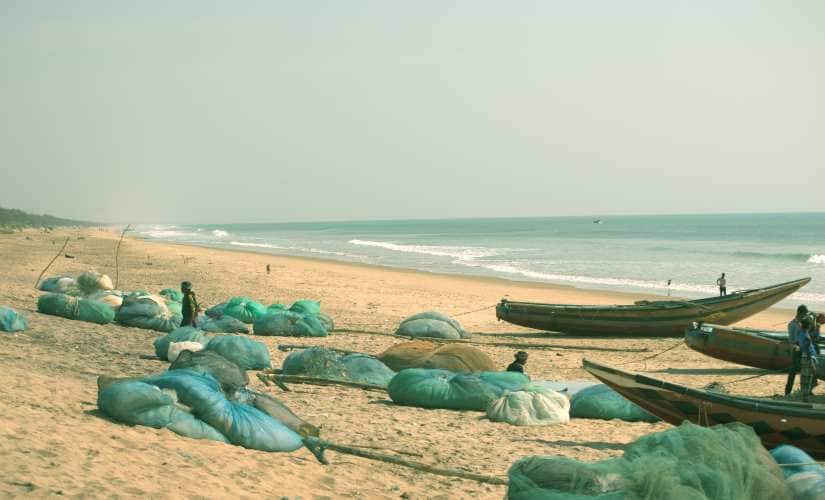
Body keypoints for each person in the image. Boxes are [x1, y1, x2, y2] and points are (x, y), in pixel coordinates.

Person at [785, 305, 810, 395]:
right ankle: (787, 392)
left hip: (804, 348)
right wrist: (796, 347)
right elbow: (791, 340)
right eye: (805, 314)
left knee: (805, 372)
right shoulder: (792, 324)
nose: (805, 315)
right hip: (796, 349)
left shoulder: (804, 323)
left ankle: (806, 391)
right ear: (800, 313)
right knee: (792, 372)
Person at [799, 316, 818, 401]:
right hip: (808, 358)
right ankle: (805, 397)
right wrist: (812, 363)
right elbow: (807, 350)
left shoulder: (802, 333)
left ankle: (804, 395)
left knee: (804, 377)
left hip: (804, 357)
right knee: (808, 377)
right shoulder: (806, 336)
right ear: (808, 326)